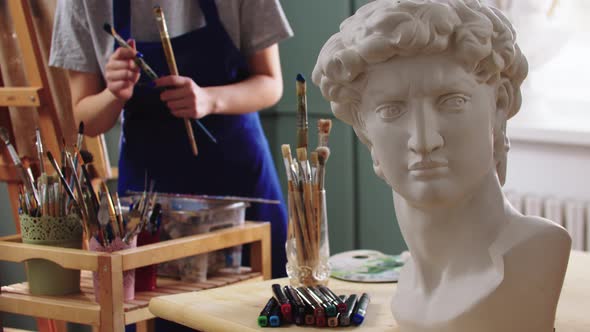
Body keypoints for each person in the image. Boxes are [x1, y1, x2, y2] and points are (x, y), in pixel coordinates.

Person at [312, 1, 571, 331]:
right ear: (364, 130)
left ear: (500, 105)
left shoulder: (534, 255)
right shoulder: (406, 280)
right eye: (392, 110)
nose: (423, 140)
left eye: (453, 102)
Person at [50, 0, 291, 330]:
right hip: (150, 196)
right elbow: (83, 119)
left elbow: (271, 82)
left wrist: (209, 99)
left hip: (240, 181)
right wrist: (114, 94)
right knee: (158, 317)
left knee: (260, 314)